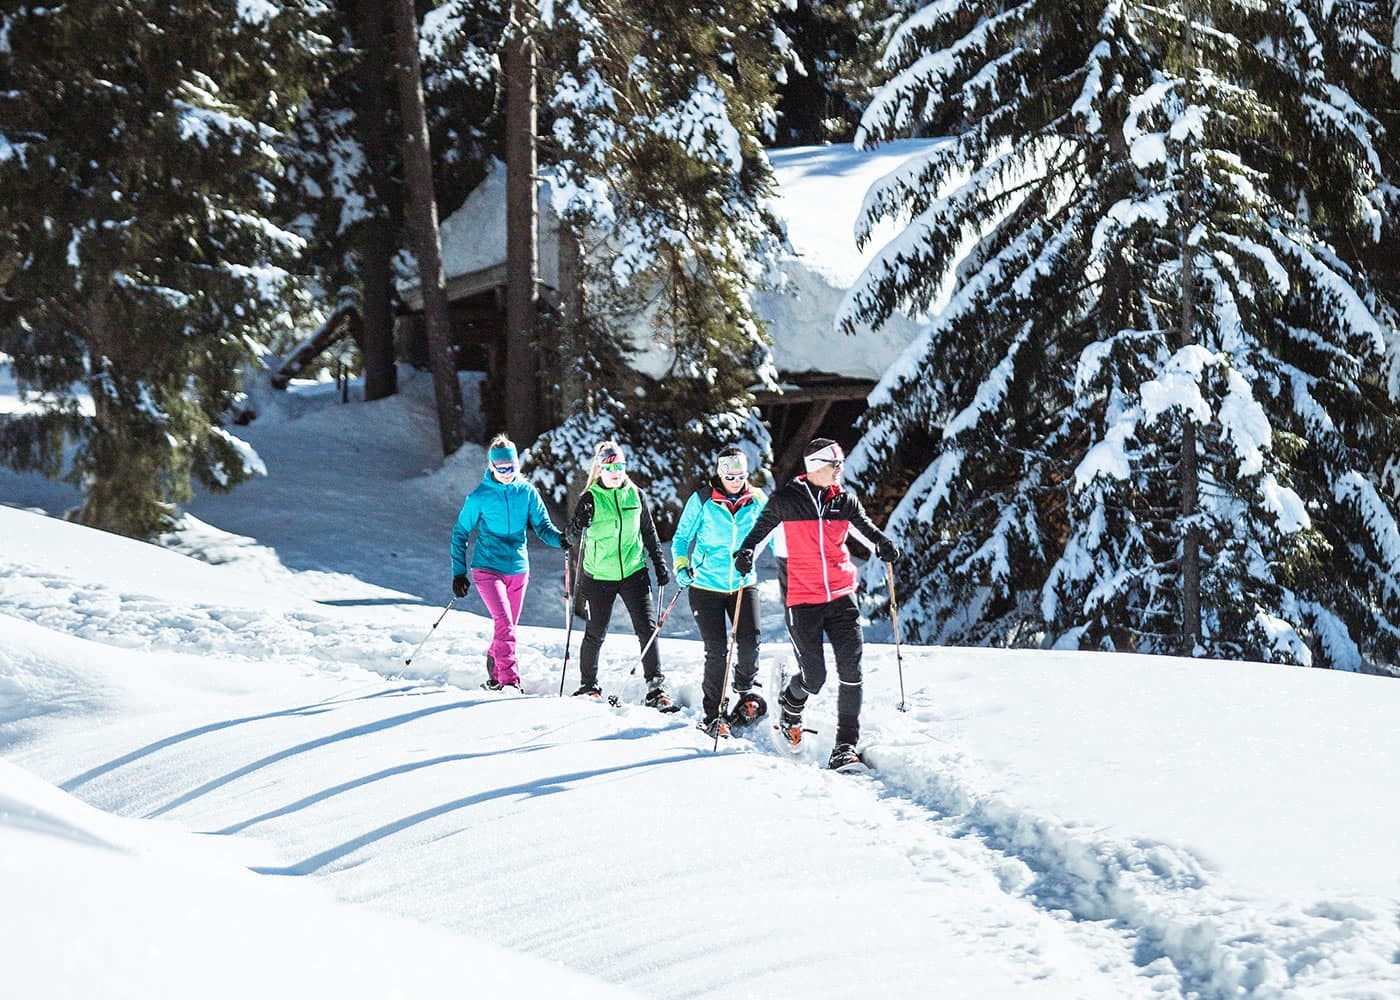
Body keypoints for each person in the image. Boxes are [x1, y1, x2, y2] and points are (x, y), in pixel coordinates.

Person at [734, 438, 900, 771]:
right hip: (802, 599)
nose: (840, 470)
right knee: (814, 678)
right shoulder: (786, 501)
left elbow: (867, 532)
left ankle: (845, 746)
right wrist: (747, 553)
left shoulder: (845, 502)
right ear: (815, 466)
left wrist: (883, 544)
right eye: (834, 464)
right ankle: (790, 705)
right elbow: (758, 534)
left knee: (852, 672)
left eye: (840, 463)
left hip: (842, 596)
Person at [450, 434, 566, 691]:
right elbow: (460, 532)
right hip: (487, 568)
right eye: (500, 468)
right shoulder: (479, 496)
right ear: (492, 466)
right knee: (504, 624)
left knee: (508, 627)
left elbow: (543, 527)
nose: (506, 473)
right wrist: (459, 572)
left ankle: (494, 666)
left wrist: (562, 539)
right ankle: (509, 680)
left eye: (510, 467)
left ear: (517, 464)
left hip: (518, 570)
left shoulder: (527, 492)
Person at [567, 440, 675, 709]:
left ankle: (655, 688)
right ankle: (588, 685)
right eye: (609, 467)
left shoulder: (635, 495)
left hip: (633, 571)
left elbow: (648, 531)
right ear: (599, 469)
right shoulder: (590, 498)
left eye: (620, 466)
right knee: (596, 632)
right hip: (599, 576)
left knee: (647, 628)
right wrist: (579, 522)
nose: (615, 472)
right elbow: (571, 537)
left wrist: (659, 562)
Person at [671, 447, 769, 739]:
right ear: (720, 474)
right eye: (730, 477)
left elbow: (773, 535)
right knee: (717, 652)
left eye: (740, 476)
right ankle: (713, 716)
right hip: (706, 586)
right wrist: (681, 565)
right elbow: (681, 538)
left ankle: (744, 687)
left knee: (750, 644)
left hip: (743, 583)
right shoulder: (703, 500)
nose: (736, 482)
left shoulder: (758, 499)